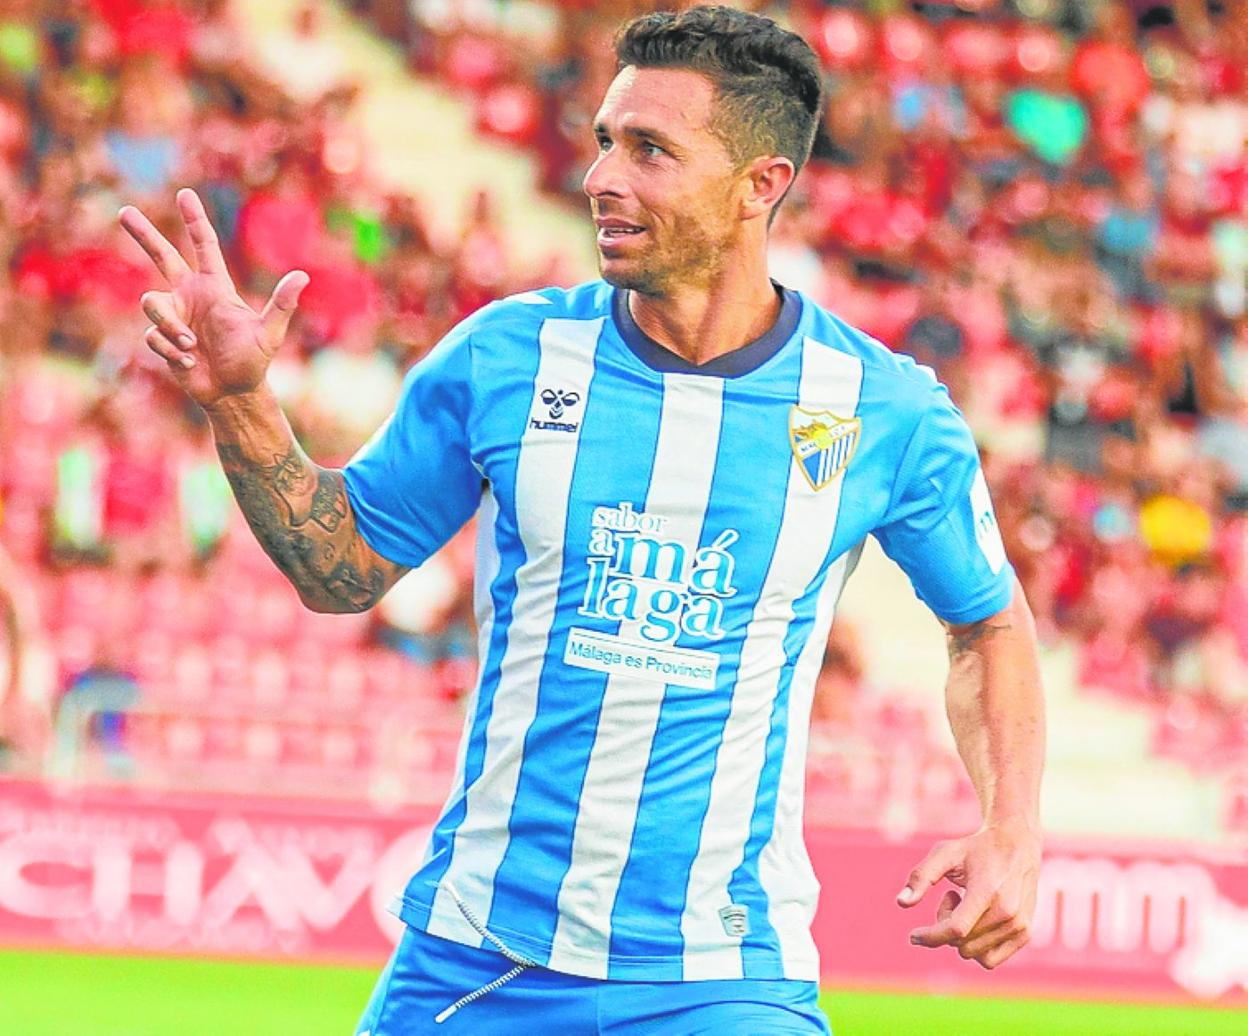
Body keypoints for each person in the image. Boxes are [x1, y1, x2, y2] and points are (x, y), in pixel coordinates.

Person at [119, 7, 1044, 1033]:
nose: (603, 175)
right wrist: (241, 403)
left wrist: (1012, 825)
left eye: (650, 149)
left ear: (761, 186)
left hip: (725, 976)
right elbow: (340, 568)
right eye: (606, 139)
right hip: (479, 963)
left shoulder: (885, 409)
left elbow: (989, 623)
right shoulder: (506, 359)